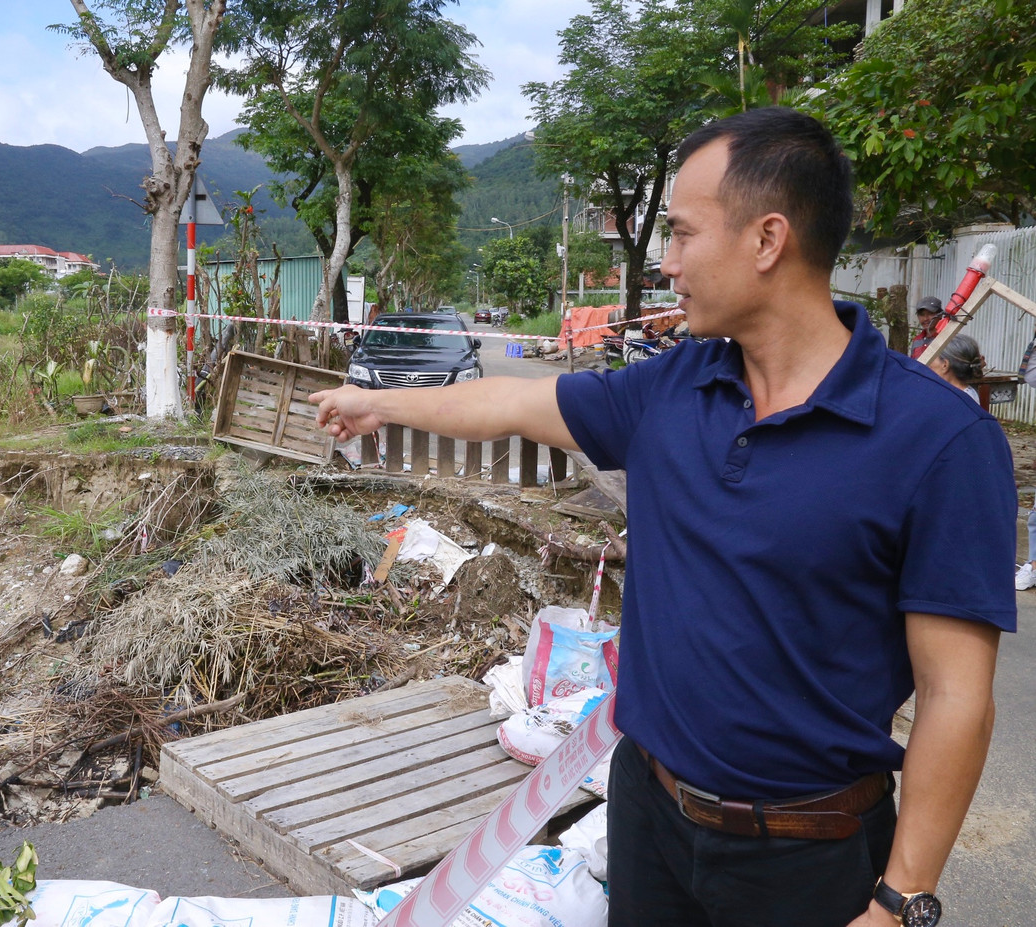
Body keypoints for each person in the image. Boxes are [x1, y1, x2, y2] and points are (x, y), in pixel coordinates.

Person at [311, 107, 1014, 927]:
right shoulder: (673, 387)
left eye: (682, 234)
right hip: (648, 816)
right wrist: (375, 403)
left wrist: (898, 901)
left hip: (806, 852)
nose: (667, 264)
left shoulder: (939, 439)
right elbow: (509, 399)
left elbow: (956, 695)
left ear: (767, 239)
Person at [926, 333, 985, 402]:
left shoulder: (958, 399)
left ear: (945, 365)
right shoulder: (953, 393)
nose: (928, 363)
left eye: (933, 357)